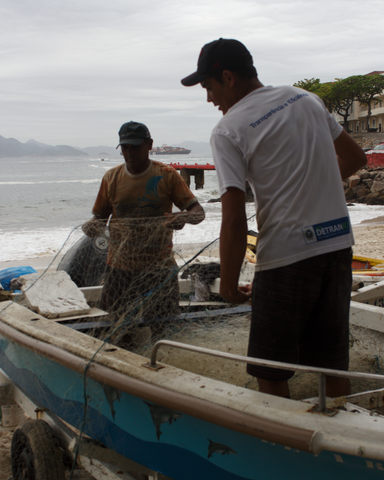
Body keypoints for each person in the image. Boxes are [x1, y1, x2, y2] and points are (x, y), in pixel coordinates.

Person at [181, 38, 367, 398]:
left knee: (272, 373)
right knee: (332, 366)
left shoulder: (228, 129)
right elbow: (356, 159)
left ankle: (280, 451)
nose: (209, 99)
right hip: (338, 249)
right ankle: (342, 443)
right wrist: (315, 186)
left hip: (286, 261)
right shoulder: (306, 99)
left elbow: (234, 221)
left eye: (209, 87)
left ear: (229, 77)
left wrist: (231, 286)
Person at [83, 121, 205, 343]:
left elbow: (198, 212)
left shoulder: (167, 175)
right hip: (118, 268)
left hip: (158, 267)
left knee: (163, 328)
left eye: (135, 147)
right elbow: (99, 218)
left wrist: (183, 217)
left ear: (149, 145)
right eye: (124, 148)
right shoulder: (111, 178)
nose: (129, 153)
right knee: (117, 328)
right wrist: (92, 227)